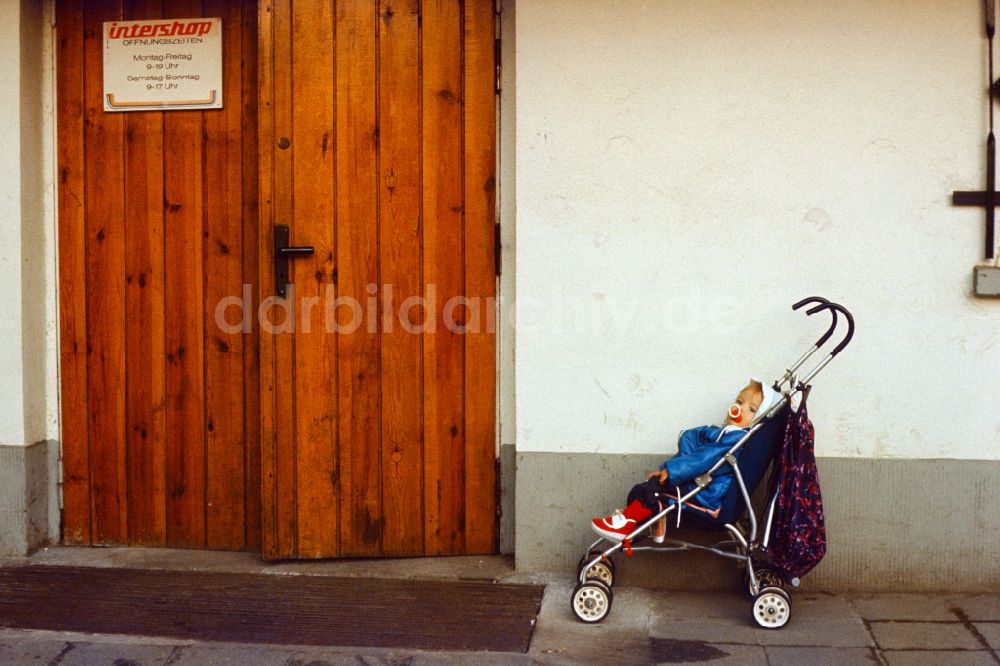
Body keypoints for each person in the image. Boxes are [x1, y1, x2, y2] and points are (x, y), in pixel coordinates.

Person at [592, 379, 779, 542]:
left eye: (751, 409)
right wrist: (672, 465)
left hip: (707, 497)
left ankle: (625, 525)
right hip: (701, 488)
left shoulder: (736, 441)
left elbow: (704, 459)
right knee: (655, 483)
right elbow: (694, 443)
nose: (740, 409)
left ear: (758, 421)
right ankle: (638, 519)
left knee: (652, 489)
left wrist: (672, 472)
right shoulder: (725, 433)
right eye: (739, 401)